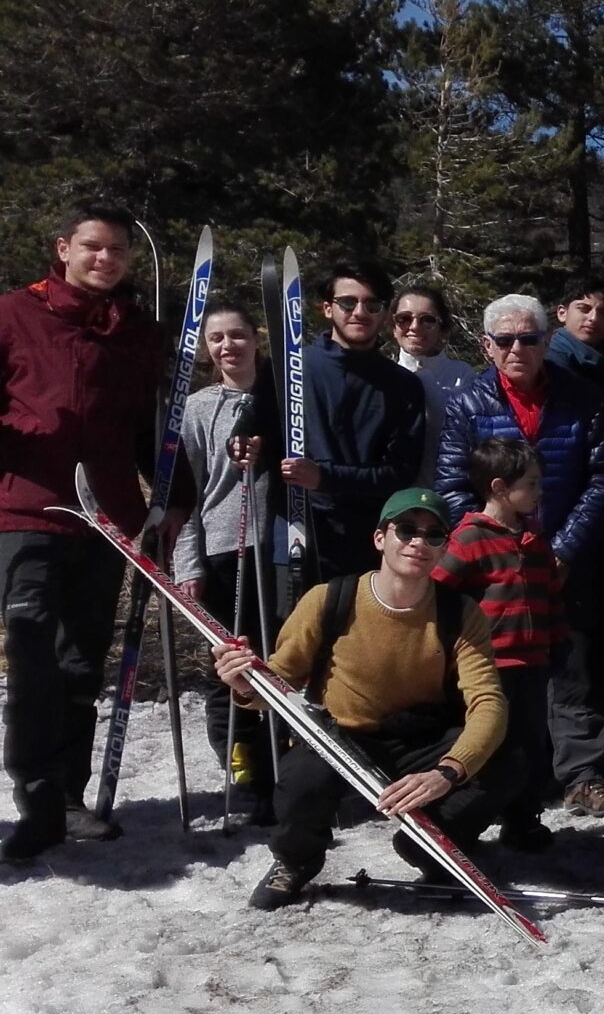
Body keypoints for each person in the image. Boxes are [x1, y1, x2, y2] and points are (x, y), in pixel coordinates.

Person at [224, 488, 518, 909]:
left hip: (421, 737)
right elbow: (279, 681)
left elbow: (488, 701)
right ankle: (295, 860)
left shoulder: (460, 612)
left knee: (505, 761)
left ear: (443, 548)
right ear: (380, 538)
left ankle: (433, 844)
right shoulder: (329, 600)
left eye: (434, 534)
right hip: (341, 738)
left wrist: (449, 772)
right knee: (301, 780)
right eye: (406, 530)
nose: (419, 542)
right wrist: (244, 685)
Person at [1, 203, 172, 859]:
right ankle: (37, 798)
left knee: (80, 661)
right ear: (64, 247)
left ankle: (69, 797)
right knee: (32, 651)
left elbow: (148, 432)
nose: (106, 259)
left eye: (118, 250)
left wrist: (170, 502)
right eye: (93, 247)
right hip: (27, 510)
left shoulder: (135, 333)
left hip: (104, 515)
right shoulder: (14, 313)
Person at [436, 293, 604, 818]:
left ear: (547, 340)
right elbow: (453, 484)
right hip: (498, 569)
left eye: (528, 337)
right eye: (505, 340)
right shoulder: (467, 404)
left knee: (576, 667)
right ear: (487, 346)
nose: (517, 348)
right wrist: (489, 544)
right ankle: (520, 781)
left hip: (571, 556)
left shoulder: (583, 397)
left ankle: (582, 774)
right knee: (510, 675)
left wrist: (563, 549)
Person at [431, 438, 565, 851]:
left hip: (533, 661)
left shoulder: (534, 538)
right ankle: (464, 823)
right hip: (489, 666)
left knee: (530, 744)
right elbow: (438, 592)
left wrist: (556, 640)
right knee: (491, 747)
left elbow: (548, 597)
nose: (540, 491)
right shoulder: (469, 538)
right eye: (532, 483)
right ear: (500, 488)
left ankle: (523, 820)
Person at [174, 300, 277, 819]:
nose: (228, 346)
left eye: (237, 335)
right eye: (216, 338)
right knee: (231, 667)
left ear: (256, 338)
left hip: (279, 547)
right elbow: (184, 491)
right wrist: (187, 560)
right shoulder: (197, 408)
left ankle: (287, 770)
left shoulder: (284, 395)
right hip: (222, 548)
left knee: (282, 661)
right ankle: (244, 770)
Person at [281, 263, 429, 583]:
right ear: (327, 308)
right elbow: (262, 441)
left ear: (384, 314)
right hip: (295, 532)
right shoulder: (292, 368)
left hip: (367, 541)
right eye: (348, 302)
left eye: (371, 304)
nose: (359, 312)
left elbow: (400, 473)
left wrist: (324, 477)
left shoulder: (403, 385)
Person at [391, 282, 479, 488]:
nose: (414, 327)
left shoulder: (463, 376)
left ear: (442, 329)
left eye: (427, 320)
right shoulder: (382, 376)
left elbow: (469, 439)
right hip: (396, 500)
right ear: (393, 327)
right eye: (404, 319)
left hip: (449, 494)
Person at [546, 275, 604, 400]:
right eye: (584, 309)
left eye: (603, 313)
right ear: (562, 313)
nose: (593, 318)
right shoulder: (551, 364)